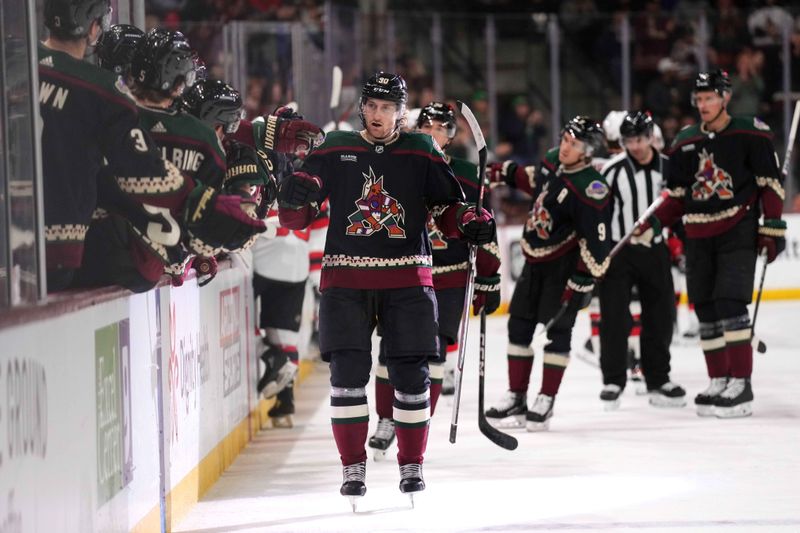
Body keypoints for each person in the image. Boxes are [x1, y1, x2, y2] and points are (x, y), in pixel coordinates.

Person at [276, 72, 496, 505]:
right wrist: (294, 191)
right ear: (363, 107)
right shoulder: (337, 146)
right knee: (346, 379)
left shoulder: (421, 150)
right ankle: (352, 466)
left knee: (412, 376)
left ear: (401, 111)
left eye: (387, 108)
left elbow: (446, 211)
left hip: (407, 282)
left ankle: (411, 463)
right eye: (372, 106)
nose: (378, 115)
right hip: (346, 283)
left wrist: (468, 221)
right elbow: (295, 218)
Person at [635, 70, 785, 418]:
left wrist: (772, 228)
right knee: (705, 309)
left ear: (725, 97)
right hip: (698, 234)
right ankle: (719, 378)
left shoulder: (751, 133)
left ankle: (741, 385)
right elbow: (677, 196)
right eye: (698, 99)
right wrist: (654, 222)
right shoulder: (686, 142)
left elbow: (770, 185)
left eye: (709, 98)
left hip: (737, 229)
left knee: (731, 304)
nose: (703, 105)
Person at [367, 101, 502, 461]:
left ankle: (417, 420)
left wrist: (490, 275)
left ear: (451, 135)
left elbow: (484, 227)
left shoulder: (469, 174)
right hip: (406, 270)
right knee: (389, 347)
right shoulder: (401, 164)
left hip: (450, 276)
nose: (432, 134)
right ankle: (385, 419)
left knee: (436, 352)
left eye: (440, 128)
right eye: (426, 127)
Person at [39, 0, 192, 291]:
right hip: (56, 253)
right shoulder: (100, 90)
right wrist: (202, 206)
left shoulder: (12, 60)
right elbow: (140, 175)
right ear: (94, 27)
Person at [484, 116, 612, 431]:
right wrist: (505, 173)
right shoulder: (553, 160)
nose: (565, 147)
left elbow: (596, 242)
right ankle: (517, 394)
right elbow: (536, 180)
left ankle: (546, 398)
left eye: (574, 144)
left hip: (563, 269)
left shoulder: (592, 189)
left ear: (588, 151)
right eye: (565, 139)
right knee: (519, 326)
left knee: (557, 333)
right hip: (533, 262)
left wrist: (581, 282)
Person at [597, 111, 686, 410]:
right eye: (629, 140)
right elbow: (599, 213)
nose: (634, 145)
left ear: (651, 137)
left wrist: (660, 229)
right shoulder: (612, 171)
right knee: (614, 316)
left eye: (640, 138)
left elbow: (678, 204)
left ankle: (658, 379)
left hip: (655, 251)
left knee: (660, 316)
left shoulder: (668, 168)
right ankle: (613, 380)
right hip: (619, 251)